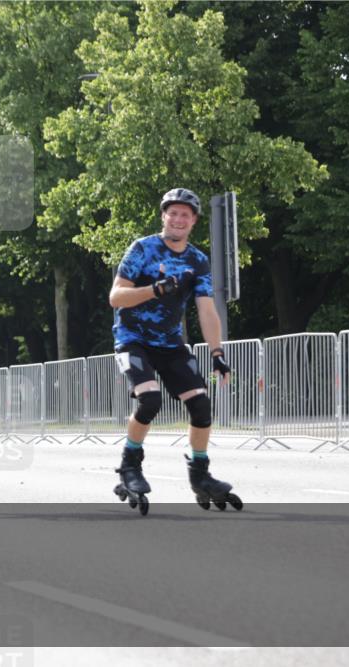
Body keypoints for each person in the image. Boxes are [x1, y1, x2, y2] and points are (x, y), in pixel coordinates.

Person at [108, 188, 242, 515]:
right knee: (150, 399)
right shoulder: (142, 249)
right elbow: (116, 297)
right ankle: (129, 466)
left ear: (193, 221)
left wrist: (217, 354)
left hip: (170, 344)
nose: (179, 220)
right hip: (133, 339)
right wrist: (154, 289)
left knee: (200, 404)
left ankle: (200, 475)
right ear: (163, 216)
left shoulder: (196, 260)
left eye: (186, 215)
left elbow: (206, 311)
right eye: (173, 213)